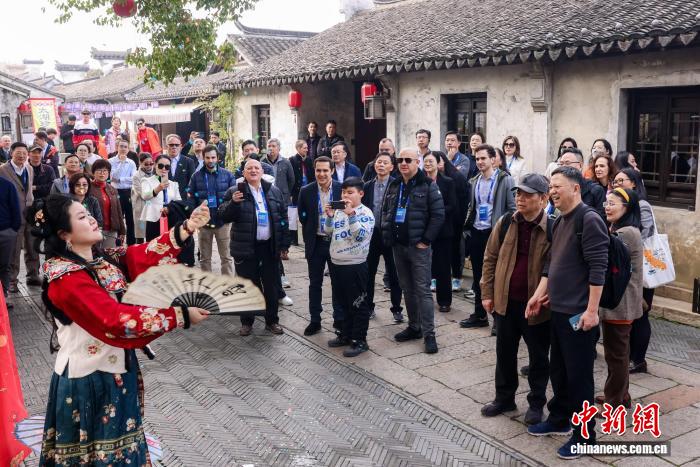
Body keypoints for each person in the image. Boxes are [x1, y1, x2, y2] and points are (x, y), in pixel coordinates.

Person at [33, 194, 210, 466]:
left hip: (116, 372)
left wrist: (187, 227)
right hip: (88, 381)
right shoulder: (66, 278)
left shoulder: (101, 260)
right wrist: (179, 315)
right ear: (64, 234)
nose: (92, 219)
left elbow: (141, 255)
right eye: (81, 217)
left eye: (88, 213)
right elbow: (114, 320)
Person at [526, 166, 609, 459]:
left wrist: (592, 311)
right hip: (558, 310)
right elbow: (552, 264)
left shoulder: (589, 219)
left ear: (575, 188)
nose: (552, 192)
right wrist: (539, 294)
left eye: (557, 186)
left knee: (579, 377)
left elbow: (598, 269)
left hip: (579, 316)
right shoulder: (560, 221)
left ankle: (585, 436)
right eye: (550, 187)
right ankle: (560, 418)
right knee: (559, 371)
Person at [480, 174, 551, 425]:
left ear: (543, 199)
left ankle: (536, 404)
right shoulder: (505, 223)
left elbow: (556, 268)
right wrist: (487, 293)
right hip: (506, 302)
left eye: (528, 194)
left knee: (538, 357)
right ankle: (504, 398)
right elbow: (490, 258)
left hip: (536, 305)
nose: (520, 198)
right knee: (505, 353)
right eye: (518, 193)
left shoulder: (553, 228)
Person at [381, 148, 445, 354]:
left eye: (408, 160)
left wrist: (426, 240)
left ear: (417, 162)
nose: (403, 163)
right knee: (407, 289)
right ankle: (414, 327)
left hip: (418, 248)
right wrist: (387, 234)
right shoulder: (395, 184)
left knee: (423, 291)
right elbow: (386, 210)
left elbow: (438, 215)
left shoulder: (428, 185)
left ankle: (429, 334)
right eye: (400, 160)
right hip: (399, 246)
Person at [219, 159, 290, 336]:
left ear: (262, 172)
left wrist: (284, 243)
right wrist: (233, 203)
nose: (253, 170)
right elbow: (224, 216)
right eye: (249, 168)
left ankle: (272, 321)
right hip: (245, 246)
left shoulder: (273, 191)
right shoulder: (234, 191)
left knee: (271, 286)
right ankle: (247, 322)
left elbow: (282, 217)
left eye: (256, 168)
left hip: (269, 247)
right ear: (243, 173)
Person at [460, 144, 515, 330]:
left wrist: (503, 232)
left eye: (483, 158)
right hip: (477, 232)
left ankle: (499, 319)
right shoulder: (474, 181)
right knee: (478, 277)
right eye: (477, 159)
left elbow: (512, 208)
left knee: (497, 277)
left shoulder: (505, 180)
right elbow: (472, 207)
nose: (480, 162)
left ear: (493, 159)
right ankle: (480, 315)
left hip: (495, 235)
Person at [597, 188, 643, 409]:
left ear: (627, 208)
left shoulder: (626, 234)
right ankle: (620, 396)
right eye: (606, 203)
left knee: (616, 355)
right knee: (618, 353)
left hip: (620, 303)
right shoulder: (620, 229)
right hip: (621, 302)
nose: (607, 207)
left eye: (612, 203)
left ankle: (613, 402)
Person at [323, 177, 375, 356]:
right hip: (336, 264)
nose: (346, 196)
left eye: (350, 192)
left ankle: (360, 340)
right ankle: (345, 334)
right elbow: (327, 232)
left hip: (355, 265)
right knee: (342, 303)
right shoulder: (339, 211)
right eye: (344, 192)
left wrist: (351, 215)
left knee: (358, 303)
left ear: (361, 194)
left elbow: (360, 236)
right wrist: (330, 217)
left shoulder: (365, 213)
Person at [297, 156, 344, 336]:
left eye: (325, 170)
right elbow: (302, 216)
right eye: (318, 170)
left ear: (332, 171)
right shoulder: (306, 191)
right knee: (315, 283)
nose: (322, 174)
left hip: (336, 243)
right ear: (314, 171)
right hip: (316, 243)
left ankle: (339, 319)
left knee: (338, 283)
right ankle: (315, 320)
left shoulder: (341, 189)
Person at [613, 168, 653, 373]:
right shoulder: (617, 208)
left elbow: (645, 235)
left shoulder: (641, 206)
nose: (617, 183)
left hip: (642, 268)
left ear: (634, 183)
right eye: (615, 181)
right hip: (629, 267)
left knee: (641, 313)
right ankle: (630, 358)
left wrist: (627, 247)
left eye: (622, 180)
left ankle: (638, 359)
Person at [363, 152, 403, 323]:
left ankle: (397, 308)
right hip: (372, 235)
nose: (381, 165)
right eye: (378, 162)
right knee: (369, 273)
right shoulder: (367, 186)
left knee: (394, 274)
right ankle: (368, 306)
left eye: (385, 163)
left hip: (390, 235)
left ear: (392, 167)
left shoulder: (397, 185)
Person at [188, 145, 236, 275]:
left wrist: (227, 214)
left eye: (213, 157)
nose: (210, 160)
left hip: (223, 222)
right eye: (207, 158)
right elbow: (191, 197)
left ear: (218, 158)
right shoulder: (196, 176)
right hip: (203, 223)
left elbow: (233, 198)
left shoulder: (228, 175)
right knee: (204, 258)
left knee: (226, 257)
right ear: (203, 158)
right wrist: (195, 214)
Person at [0, 142, 39, 290]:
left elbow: (28, 191)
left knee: (32, 246)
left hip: (30, 213)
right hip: (13, 215)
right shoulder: (2, 170)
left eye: (24, 153)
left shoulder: (29, 168)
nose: (22, 156)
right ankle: (11, 281)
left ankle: (33, 275)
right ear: (11, 153)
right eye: (18, 152)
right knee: (13, 250)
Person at [423, 152, 457, 312]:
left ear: (438, 163)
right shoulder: (419, 181)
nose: (428, 164)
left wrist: (436, 211)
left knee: (443, 267)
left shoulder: (448, 182)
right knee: (424, 267)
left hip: (443, 230)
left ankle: (444, 301)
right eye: (425, 161)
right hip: (424, 230)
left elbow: (452, 205)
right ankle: (423, 300)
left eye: (431, 161)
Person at [554, 148, 605, 218]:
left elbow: (601, 219)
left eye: (567, 163)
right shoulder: (558, 191)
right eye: (561, 164)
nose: (563, 167)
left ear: (580, 165)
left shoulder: (596, 190)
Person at [141, 155, 181, 241]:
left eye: (167, 167)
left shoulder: (173, 184)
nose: (163, 169)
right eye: (160, 166)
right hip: (154, 218)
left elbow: (178, 201)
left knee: (169, 244)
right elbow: (145, 196)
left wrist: (169, 208)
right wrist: (158, 188)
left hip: (170, 217)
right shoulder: (147, 180)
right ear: (155, 165)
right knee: (153, 245)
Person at [89, 159, 125, 249]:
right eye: (99, 170)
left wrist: (122, 231)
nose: (102, 173)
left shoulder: (112, 189)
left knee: (109, 254)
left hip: (111, 230)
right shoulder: (88, 188)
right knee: (95, 254)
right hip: (94, 229)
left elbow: (119, 211)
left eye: (105, 171)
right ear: (93, 172)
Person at [109, 140, 138, 245]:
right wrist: (121, 163)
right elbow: (113, 177)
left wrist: (120, 180)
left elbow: (134, 179)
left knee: (131, 220)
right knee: (117, 219)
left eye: (125, 147)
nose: (123, 149)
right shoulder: (111, 161)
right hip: (115, 192)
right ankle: (117, 244)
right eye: (121, 146)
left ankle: (131, 244)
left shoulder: (131, 162)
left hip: (128, 192)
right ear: (117, 147)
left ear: (128, 149)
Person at [289, 139, 315, 246]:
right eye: (305, 148)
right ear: (298, 148)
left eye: (307, 148)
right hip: (296, 193)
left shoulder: (309, 160)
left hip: (307, 192)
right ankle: (293, 239)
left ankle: (307, 238)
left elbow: (312, 176)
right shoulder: (292, 160)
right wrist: (290, 194)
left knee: (306, 216)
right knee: (293, 216)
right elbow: (290, 178)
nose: (307, 150)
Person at [0, 176, 19, 307]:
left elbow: (15, 208)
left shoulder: (7, 185)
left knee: (4, 266)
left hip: (6, 232)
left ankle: (3, 298)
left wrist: (13, 230)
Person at [164, 134, 197, 201]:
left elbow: (192, 183)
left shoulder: (189, 162)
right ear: (166, 146)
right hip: (164, 200)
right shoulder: (161, 161)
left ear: (181, 146)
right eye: (171, 145)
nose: (174, 147)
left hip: (183, 200)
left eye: (177, 145)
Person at [131, 153, 155, 244]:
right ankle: (139, 251)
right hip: (141, 206)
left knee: (152, 233)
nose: (149, 166)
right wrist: (155, 192)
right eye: (146, 164)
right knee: (140, 232)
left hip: (153, 206)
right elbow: (141, 193)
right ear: (140, 163)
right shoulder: (136, 176)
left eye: (151, 163)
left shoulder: (155, 173)